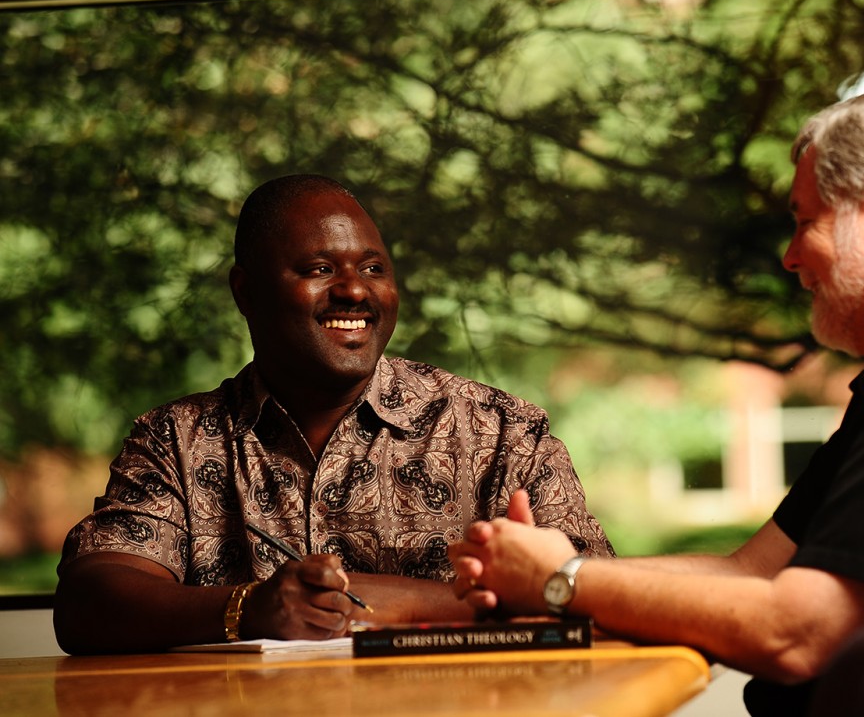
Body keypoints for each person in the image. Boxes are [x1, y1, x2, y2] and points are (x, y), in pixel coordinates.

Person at [448, 89, 864, 716]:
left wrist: (562, 582)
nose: (790, 257)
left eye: (804, 220)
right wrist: (545, 567)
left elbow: (798, 634)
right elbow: (752, 573)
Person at [53, 174, 613, 654]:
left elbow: (600, 601)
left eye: (373, 267)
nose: (353, 289)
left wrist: (392, 602)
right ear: (245, 292)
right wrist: (250, 608)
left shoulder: (500, 431)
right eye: (320, 268)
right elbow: (89, 602)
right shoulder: (177, 440)